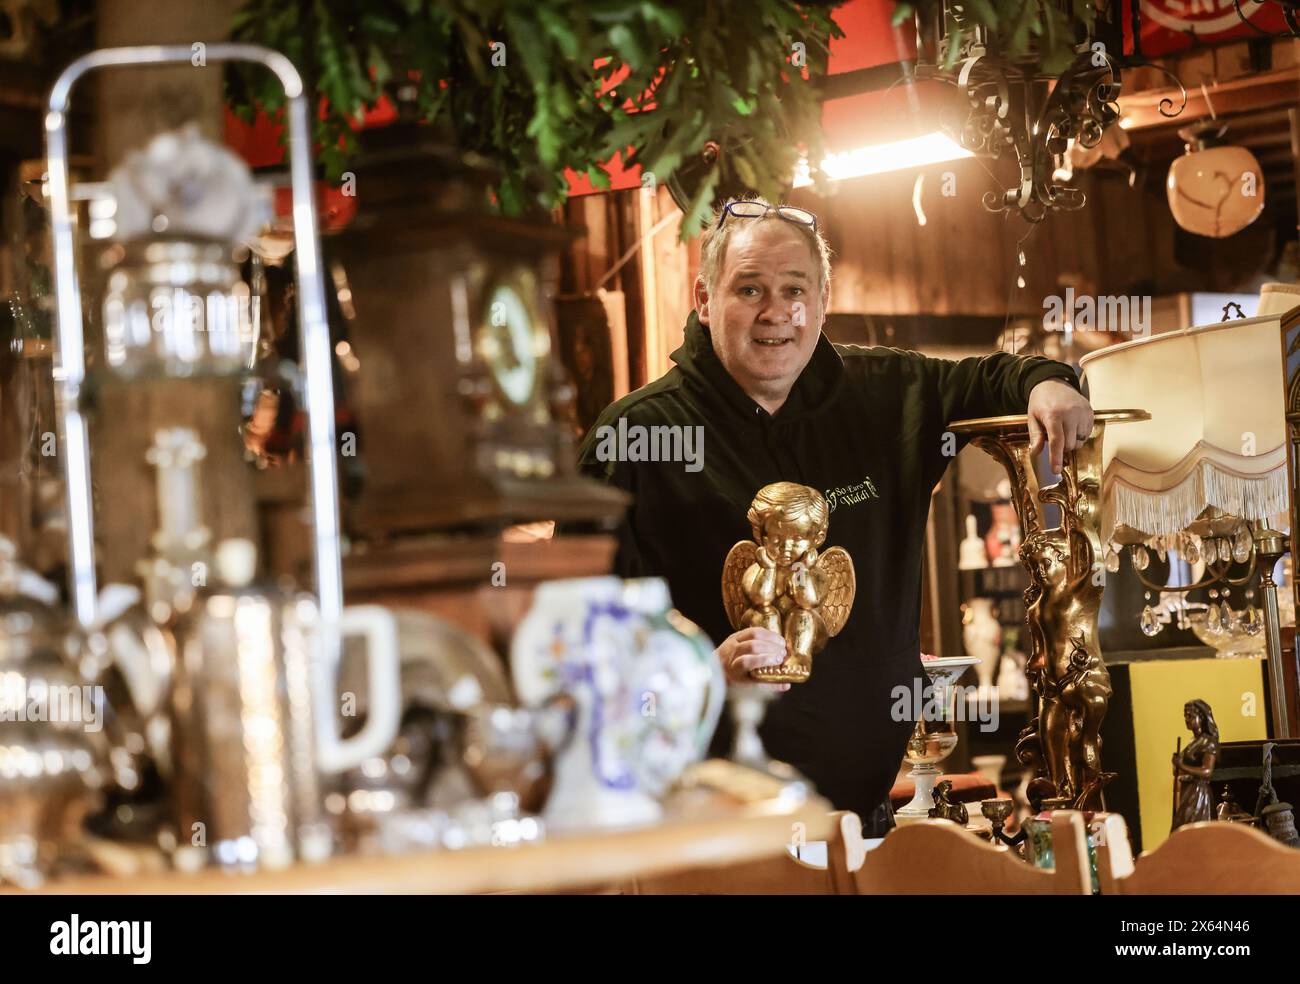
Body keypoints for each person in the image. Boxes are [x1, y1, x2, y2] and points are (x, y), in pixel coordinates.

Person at [576, 198, 1094, 835]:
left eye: (795, 289)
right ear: (704, 300)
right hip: (704, 841)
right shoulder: (632, 439)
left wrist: (1049, 381)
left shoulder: (885, 394)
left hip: (864, 827)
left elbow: (989, 379)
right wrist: (699, 677)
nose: (776, 312)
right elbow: (576, 644)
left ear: (822, 301)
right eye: (749, 289)